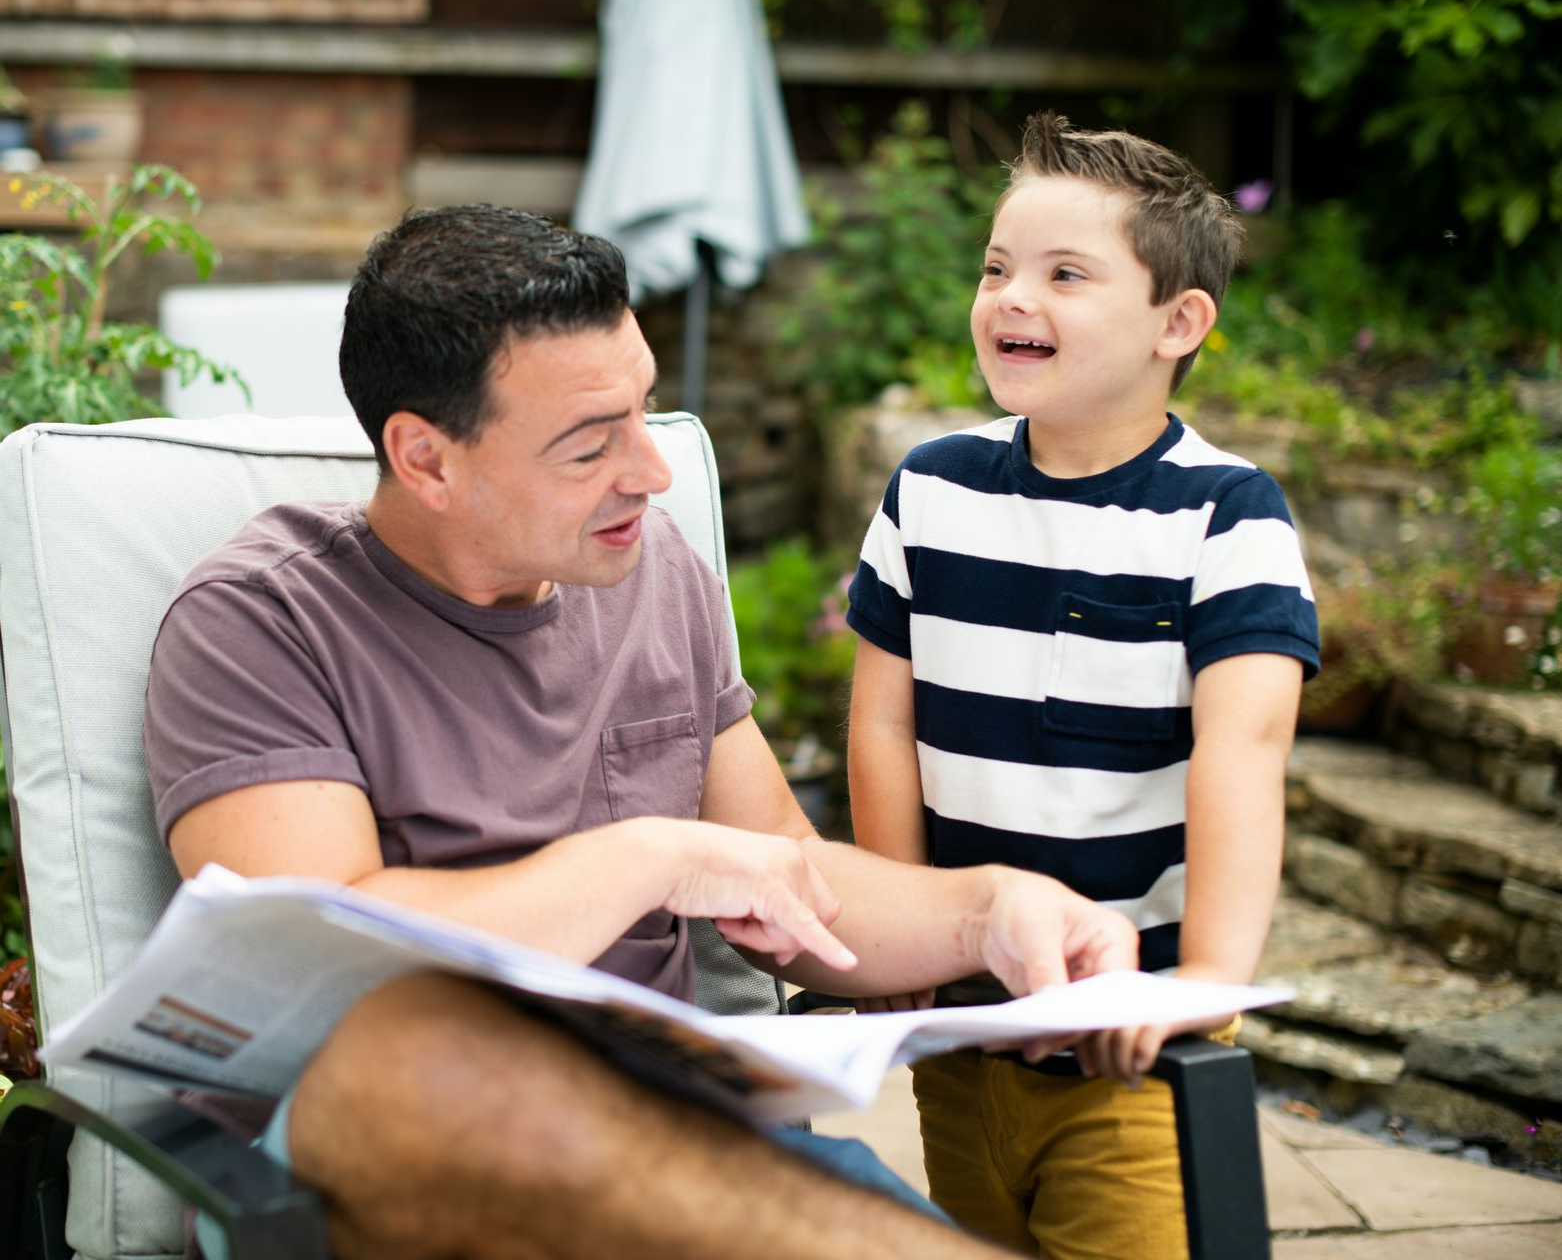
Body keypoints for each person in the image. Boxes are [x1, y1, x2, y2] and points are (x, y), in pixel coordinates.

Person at [142, 202, 1140, 1260]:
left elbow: (791, 874)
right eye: (589, 444)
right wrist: (651, 856)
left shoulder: (650, 570)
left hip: (674, 1142)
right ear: (426, 458)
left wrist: (990, 907)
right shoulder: (260, 623)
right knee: (403, 1046)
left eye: (644, 411)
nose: (650, 471)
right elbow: (319, 956)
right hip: (398, 1163)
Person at [846, 111, 1320, 1259]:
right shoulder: (931, 490)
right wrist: (897, 928)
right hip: (964, 1027)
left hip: (1128, 1049)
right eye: (997, 266)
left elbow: (1241, 754)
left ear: (1177, 321)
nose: (1013, 297)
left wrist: (1203, 977)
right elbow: (879, 719)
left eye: (1065, 274)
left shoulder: (1226, 512)